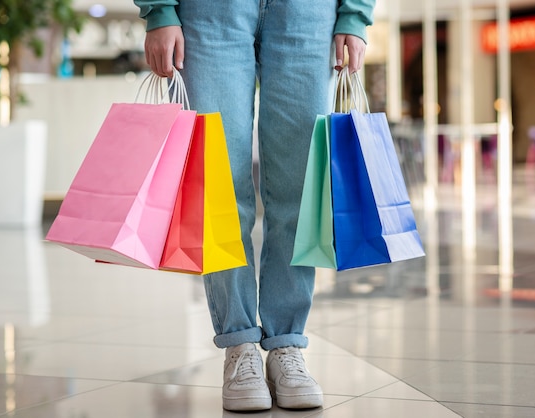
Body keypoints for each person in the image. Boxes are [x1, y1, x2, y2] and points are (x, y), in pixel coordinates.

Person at [133, 0, 375, 412]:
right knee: (219, 184)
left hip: (307, 11)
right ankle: (240, 342)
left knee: (300, 187)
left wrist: (355, 12)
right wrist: (159, 9)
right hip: (210, 12)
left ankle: (286, 344)